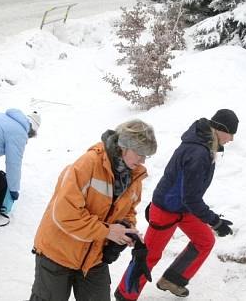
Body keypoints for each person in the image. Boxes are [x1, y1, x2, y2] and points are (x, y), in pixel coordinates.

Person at [115, 109, 239, 300]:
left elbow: (189, 198)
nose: (231, 139)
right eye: (231, 134)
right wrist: (215, 222)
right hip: (166, 209)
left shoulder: (205, 146)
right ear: (221, 129)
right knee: (149, 256)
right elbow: (191, 198)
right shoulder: (197, 152)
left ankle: (173, 280)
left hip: (184, 208)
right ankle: (125, 294)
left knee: (205, 241)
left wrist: (210, 220)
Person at [29, 119, 157, 301]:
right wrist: (107, 231)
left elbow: (129, 211)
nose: (143, 160)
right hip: (57, 254)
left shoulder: (134, 178)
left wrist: (126, 230)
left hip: (94, 259)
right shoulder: (88, 164)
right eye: (140, 153)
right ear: (124, 146)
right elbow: (65, 215)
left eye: (147, 155)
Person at [0, 108, 41, 214]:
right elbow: (13, 164)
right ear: (32, 131)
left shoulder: (4, 119)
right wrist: (13, 189)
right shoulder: (19, 132)